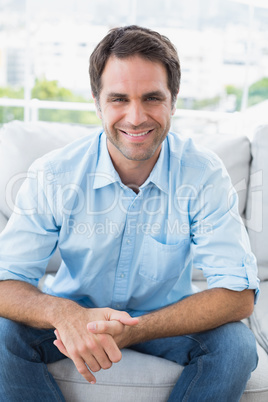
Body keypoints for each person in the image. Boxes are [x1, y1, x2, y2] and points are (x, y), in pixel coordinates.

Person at [0, 25, 259, 402]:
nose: (136, 118)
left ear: (173, 100)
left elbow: (239, 295)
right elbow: (5, 281)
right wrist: (66, 314)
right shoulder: (55, 174)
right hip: (72, 317)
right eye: (119, 98)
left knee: (236, 346)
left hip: (164, 321)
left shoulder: (203, 174)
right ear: (97, 100)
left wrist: (134, 330)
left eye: (152, 98)